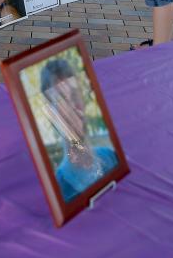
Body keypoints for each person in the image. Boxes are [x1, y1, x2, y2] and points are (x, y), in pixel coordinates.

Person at [39, 57, 118, 203]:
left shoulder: (112, 157)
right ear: (52, 114)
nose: (75, 107)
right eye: (62, 99)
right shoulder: (59, 191)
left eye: (75, 94)